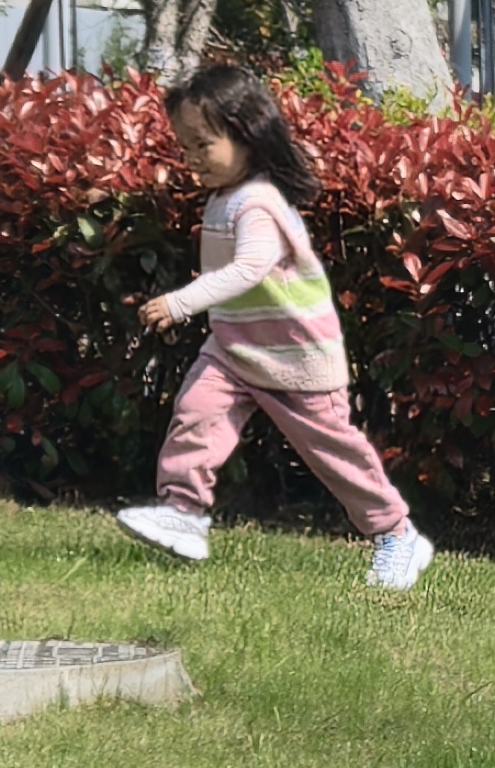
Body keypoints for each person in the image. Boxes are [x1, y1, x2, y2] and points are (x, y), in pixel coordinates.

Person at [116, 67, 434, 589]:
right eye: (185, 146)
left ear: (249, 136)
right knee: (196, 413)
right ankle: (183, 513)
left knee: (334, 453)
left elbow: (249, 268)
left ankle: (396, 534)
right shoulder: (224, 196)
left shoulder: (258, 203)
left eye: (203, 145)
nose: (192, 158)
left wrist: (181, 303)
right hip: (235, 348)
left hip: (295, 357)